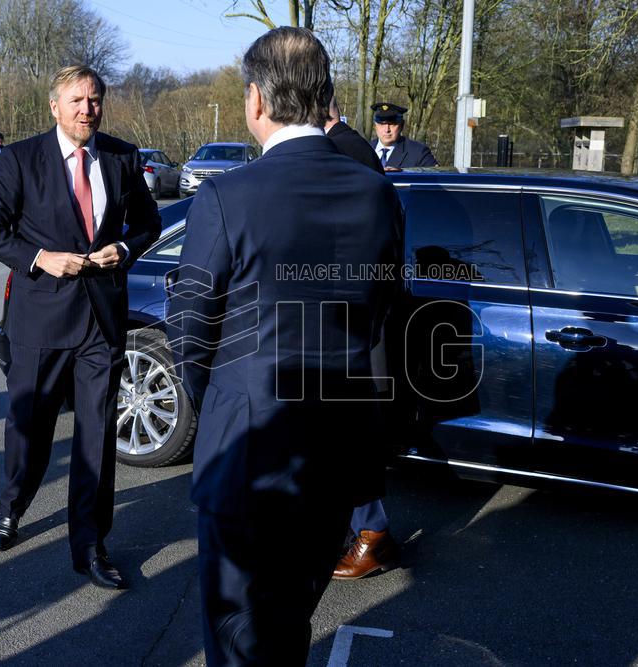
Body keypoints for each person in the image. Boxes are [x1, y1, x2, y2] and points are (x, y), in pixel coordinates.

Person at [167, 28, 401, 666]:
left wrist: (219, 404)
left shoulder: (225, 195)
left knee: (240, 641)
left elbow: (189, 331)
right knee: (290, 626)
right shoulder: (376, 192)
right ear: (325, 96)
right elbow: (382, 317)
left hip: (251, 458)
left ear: (255, 100)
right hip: (335, 456)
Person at [0, 65, 161, 590]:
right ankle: (13, 503)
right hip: (40, 322)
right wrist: (39, 257)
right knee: (28, 431)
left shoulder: (122, 156)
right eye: (76, 100)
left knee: (96, 438)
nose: (86, 109)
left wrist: (124, 248)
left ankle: (91, 545)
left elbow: (149, 224)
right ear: (55, 106)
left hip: (101, 321)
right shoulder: (21, 159)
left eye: (94, 100)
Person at [324, 98, 403, 580]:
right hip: (357, 314)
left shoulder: (343, 153)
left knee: (347, 430)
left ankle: (371, 534)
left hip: (349, 318)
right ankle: (364, 530)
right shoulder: (354, 148)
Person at [371, 102, 438, 169]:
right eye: (382, 124)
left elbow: (436, 178)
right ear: (375, 126)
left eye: (392, 124)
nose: (387, 130)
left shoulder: (419, 153)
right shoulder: (364, 151)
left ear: (402, 125)